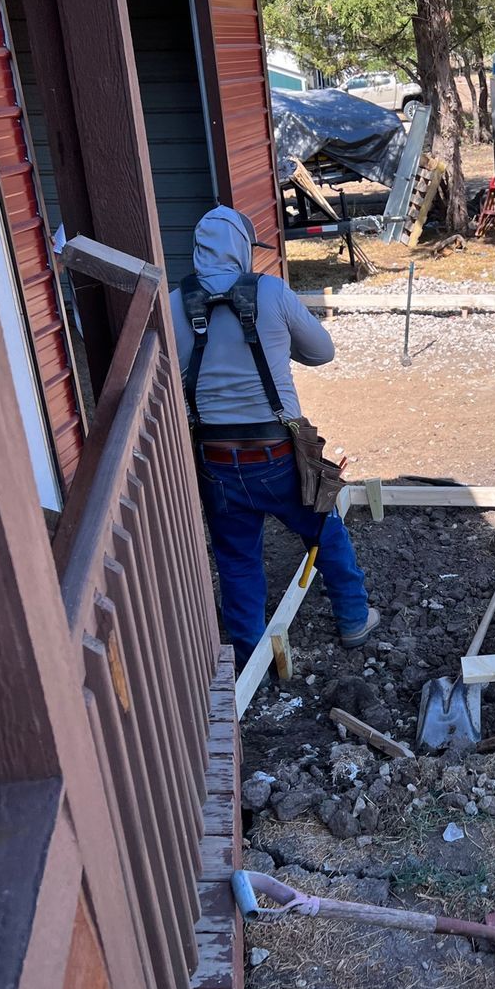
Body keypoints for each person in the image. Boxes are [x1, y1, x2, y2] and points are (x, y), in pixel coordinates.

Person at [170, 205, 378, 671]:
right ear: (242, 249)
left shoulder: (173, 303)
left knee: (237, 560)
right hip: (278, 454)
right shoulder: (271, 291)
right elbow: (321, 352)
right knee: (324, 530)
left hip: (214, 460)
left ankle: (252, 664)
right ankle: (353, 619)